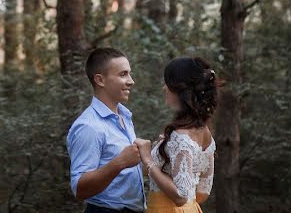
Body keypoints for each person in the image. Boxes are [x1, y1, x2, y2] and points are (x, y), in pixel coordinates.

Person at [67, 47, 151, 213]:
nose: (131, 81)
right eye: (123, 74)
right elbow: (79, 189)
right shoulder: (88, 126)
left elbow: (123, 176)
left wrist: (151, 157)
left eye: (129, 73)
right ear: (100, 80)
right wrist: (120, 162)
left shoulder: (125, 115)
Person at [137, 57, 218, 213]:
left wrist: (148, 160)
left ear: (181, 90)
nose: (163, 88)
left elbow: (181, 196)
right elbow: (202, 192)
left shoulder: (180, 136)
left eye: (167, 83)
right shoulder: (206, 134)